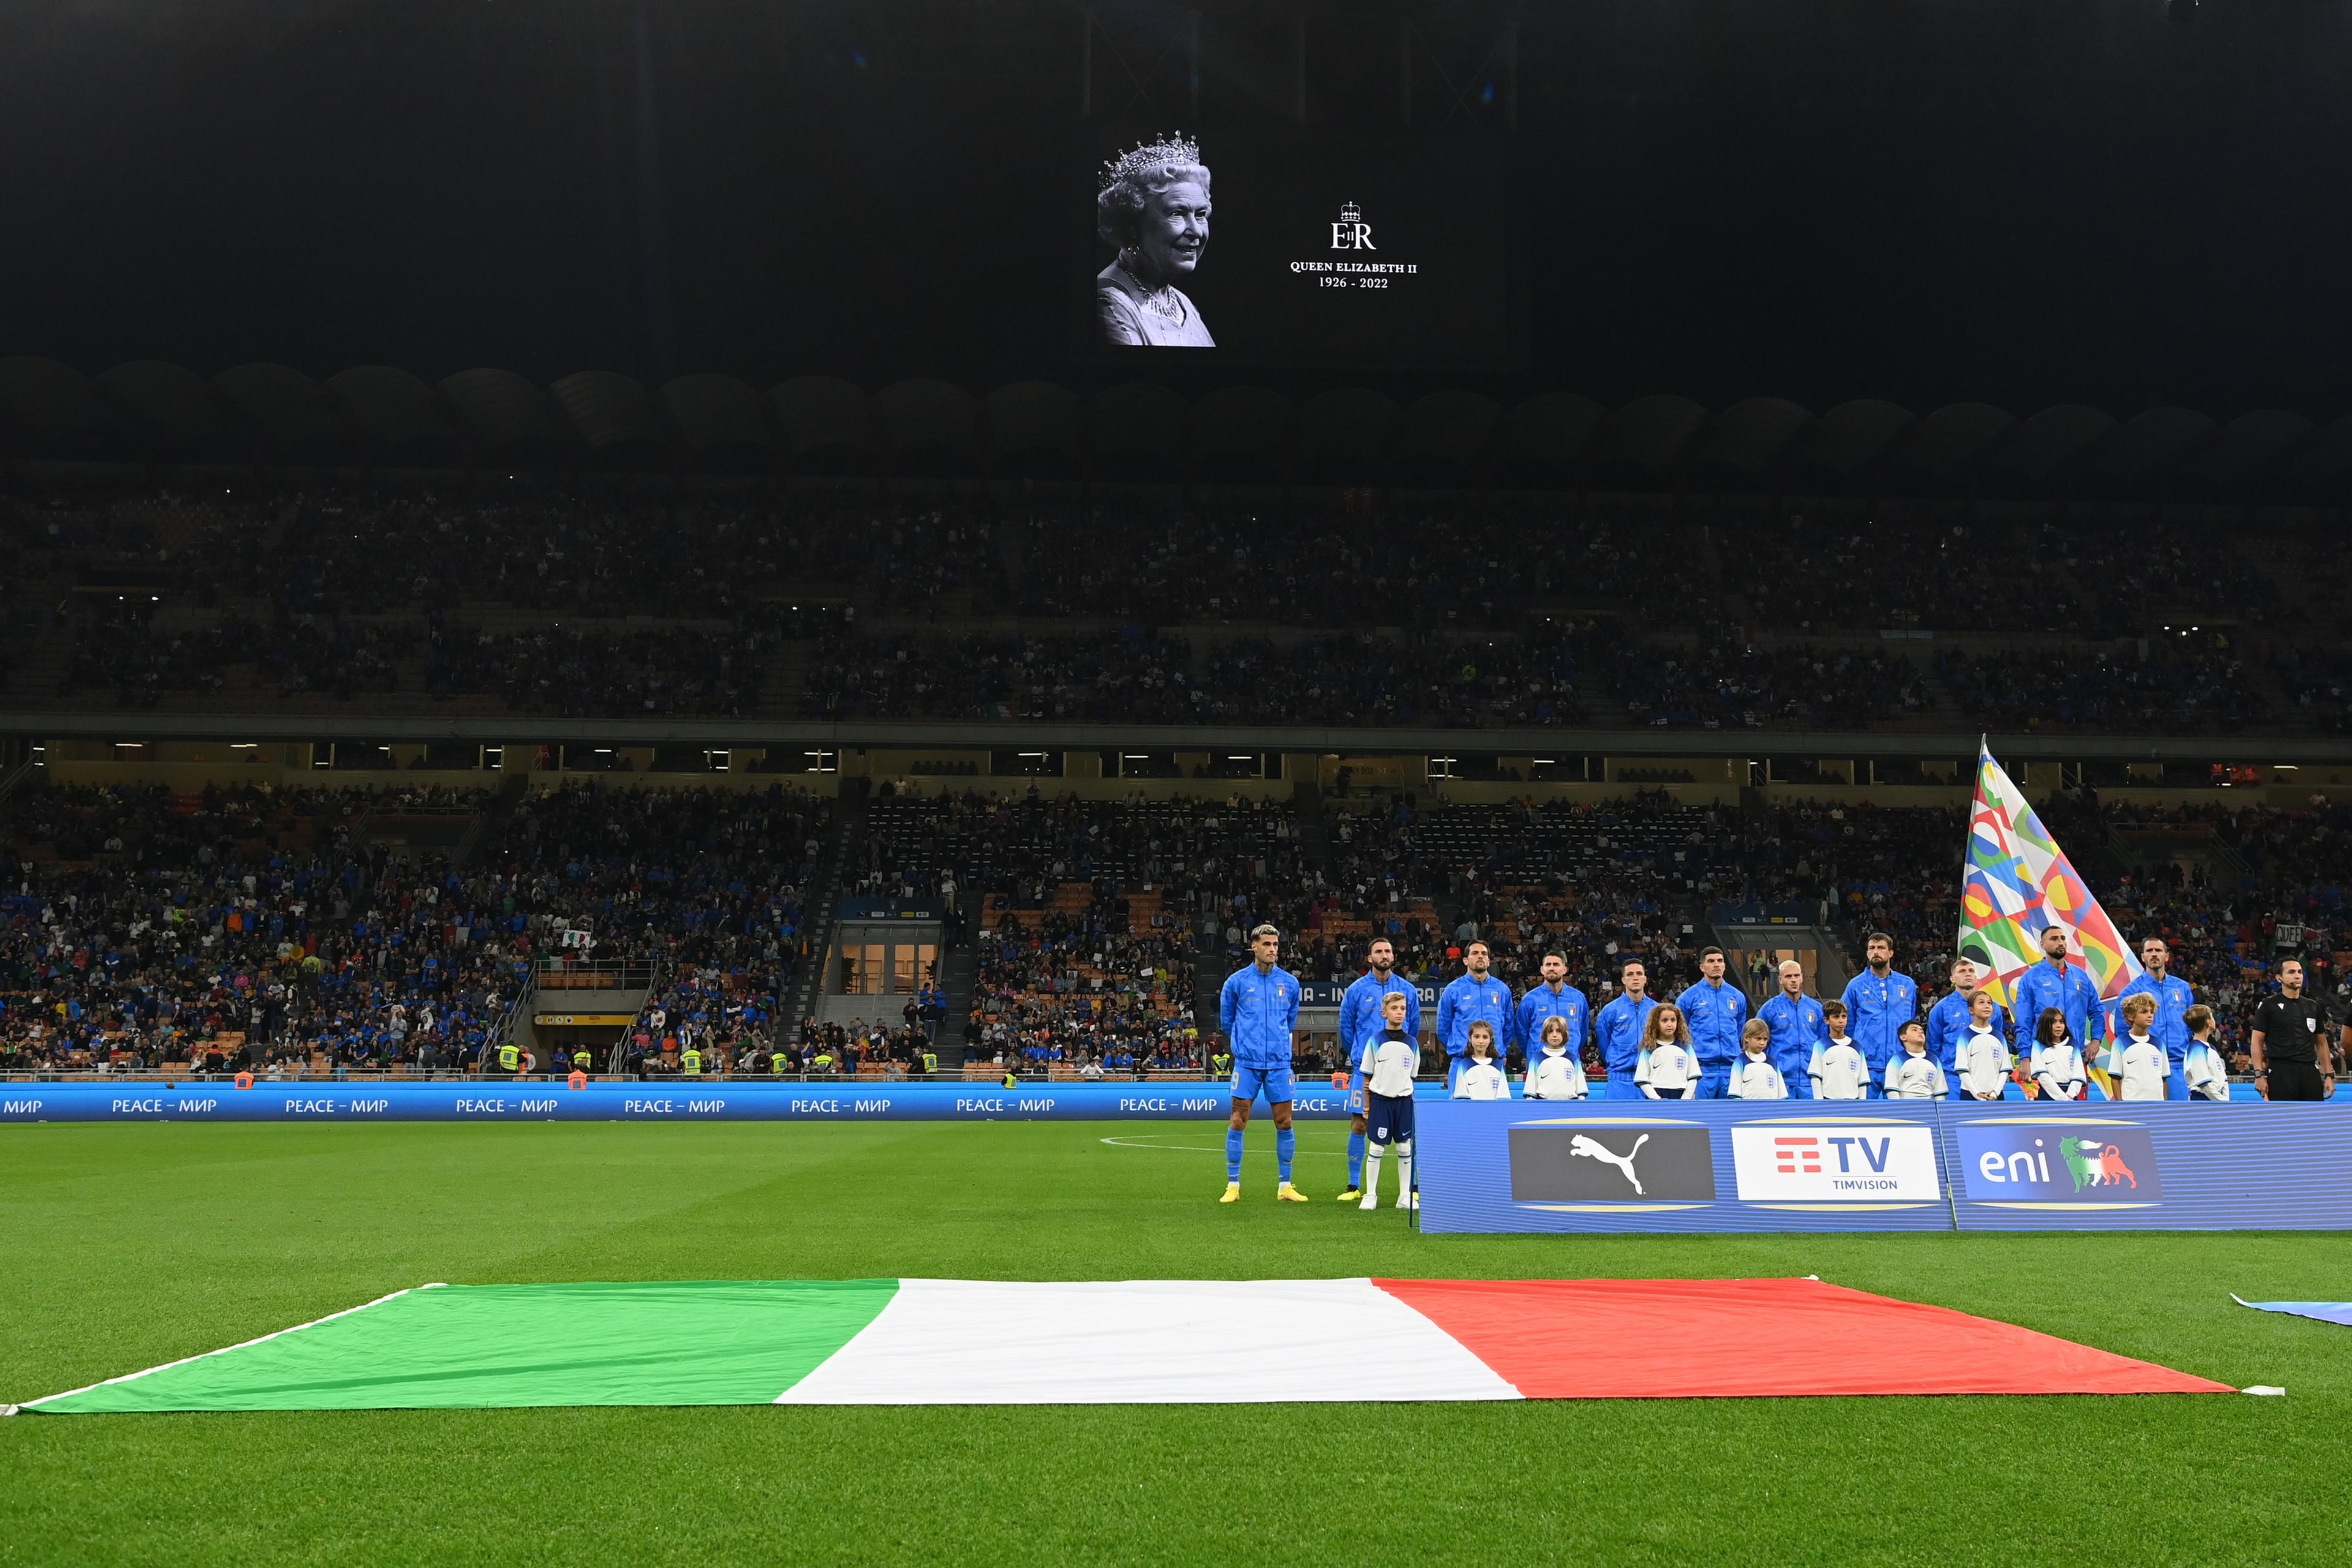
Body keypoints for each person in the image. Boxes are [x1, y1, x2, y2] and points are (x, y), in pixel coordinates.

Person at [1095, 135, 1215, 347]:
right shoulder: (1109, 303)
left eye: (1201, 214)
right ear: (1131, 223)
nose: (1196, 232)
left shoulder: (1181, 302)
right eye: (1178, 213)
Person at [1218, 924, 1308, 1203]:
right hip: (1247, 1063)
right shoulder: (1237, 982)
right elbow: (1227, 1020)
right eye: (1267, 944)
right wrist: (1246, 1044)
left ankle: (1286, 1186)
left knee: (1284, 1121)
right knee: (1238, 1120)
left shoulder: (1290, 984)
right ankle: (1233, 1185)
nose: (1272, 950)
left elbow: (1289, 1020)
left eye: (1276, 945)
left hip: (1279, 1064)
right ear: (1254, 946)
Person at [1338, 938, 1420, 1203]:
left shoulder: (1406, 989)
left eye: (1388, 951)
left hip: (1398, 1071)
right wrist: (1362, 1056)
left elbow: (1414, 1027)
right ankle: (1354, 1186)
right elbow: (1346, 1028)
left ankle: (1411, 1188)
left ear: (1393, 957)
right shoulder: (1356, 990)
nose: (1383, 955)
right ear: (1369, 957)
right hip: (1365, 1069)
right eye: (1378, 951)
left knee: (1405, 1130)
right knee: (1359, 1124)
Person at [2009, 925, 2106, 1071]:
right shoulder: (2031, 978)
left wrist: (2096, 1041)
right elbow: (2023, 1022)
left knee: (2074, 1094)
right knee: (2046, 1094)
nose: (2060, 942)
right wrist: (2025, 1057)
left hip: (2076, 1055)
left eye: (2063, 938)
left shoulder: (2080, 976)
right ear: (2043, 944)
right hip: (2043, 1057)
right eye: (2054, 939)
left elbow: (2097, 1011)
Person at [1357, 990, 1419, 1211]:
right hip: (1381, 1101)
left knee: (1404, 1147)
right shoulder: (1375, 1041)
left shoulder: (1413, 1043)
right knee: (1377, 1146)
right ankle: (1370, 1194)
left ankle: (1405, 1196)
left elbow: (1411, 1076)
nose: (1399, 1012)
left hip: (1403, 1102)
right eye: (1394, 1008)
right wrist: (1366, 1106)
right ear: (1384, 1013)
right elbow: (1367, 1078)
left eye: (1403, 1008)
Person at [2114, 937, 2196, 1101]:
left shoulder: (2182, 988)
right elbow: (2122, 1032)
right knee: (2149, 1118)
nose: (2154, 954)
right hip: (2146, 1067)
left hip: (2178, 1065)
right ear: (2143, 957)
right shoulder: (2132, 991)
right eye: (2149, 951)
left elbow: (2191, 1025)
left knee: (2180, 1119)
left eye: (2158, 950)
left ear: (2166, 956)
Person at [2248, 957, 2339, 1102]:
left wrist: (2329, 1075)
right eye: (2291, 972)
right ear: (2279, 978)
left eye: (2300, 972)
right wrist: (2259, 1075)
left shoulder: (2313, 1006)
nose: (2297, 975)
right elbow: (2256, 1042)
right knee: (2283, 1120)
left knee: (2314, 1121)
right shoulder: (2268, 1005)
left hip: (2310, 1071)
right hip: (2280, 1071)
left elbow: (2321, 1044)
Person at [1839, 932, 1918, 1098]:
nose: (1876, 952)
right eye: (1872, 948)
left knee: (1902, 1116)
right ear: (1868, 954)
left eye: (1881, 948)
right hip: (1867, 1062)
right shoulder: (1855, 985)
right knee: (1868, 1117)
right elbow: (1846, 1024)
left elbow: (1909, 1021)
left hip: (1900, 1060)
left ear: (1890, 953)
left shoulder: (1907, 984)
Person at [1435, 941, 1512, 1093]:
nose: (1480, 957)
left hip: (1494, 1061)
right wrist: (1460, 1046)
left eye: (1484, 954)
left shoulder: (1501, 989)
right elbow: (1443, 1029)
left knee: (1498, 1115)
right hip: (1462, 1060)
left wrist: (1496, 1049)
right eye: (1475, 953)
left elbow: (1509, 1027)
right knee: (1459, 1115)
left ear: (1489, 961)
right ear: (1465, 960)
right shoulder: (1453, 989)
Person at [1676, 945, 1750, 1098]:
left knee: (1732, 1119)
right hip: (1701, 1070)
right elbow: (1681, 1034)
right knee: (1701, 1119)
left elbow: (1740, 1031)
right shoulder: (1688, 998)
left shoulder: (1738, 997)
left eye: (1720, 961)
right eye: (1711, 961)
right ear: (1702, 967)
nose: (1716, 965)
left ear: (1725, 965)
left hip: (1731, 1069)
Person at [1926, 957, 2002, 1102]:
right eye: (1962, 971)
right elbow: (1933, 1047)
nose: (1968, 974)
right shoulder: (1941, 1009)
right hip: (1953, 1078)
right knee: (1954, 1121)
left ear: (1976, 977)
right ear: (1953, 978)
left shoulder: (1993, 1007)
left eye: (1971, 971)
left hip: (1986, 1077)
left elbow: (1998, 1040)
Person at [1756, 959, 1825, 1101]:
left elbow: (1824, 1044)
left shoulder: (1816, 1008)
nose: (1793, 980)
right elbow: (1755, 1044)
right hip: (1780, 1080)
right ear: (1780, 980)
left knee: (1812, 1122)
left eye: (1796, 976)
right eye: (1788, 977)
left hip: (1811, 1081)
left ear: (1801, 977)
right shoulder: (1769, 1009)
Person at [1513, 951, 1589, 1079]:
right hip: (1539, 1065)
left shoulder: (1578, 998)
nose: (1552, 968)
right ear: (1542, 970)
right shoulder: (1530, 999)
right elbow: (1521, 1035)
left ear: (1565, 969)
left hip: (1570, 1064)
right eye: (1548, 965)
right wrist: (1535, 1052)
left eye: (1556, 964)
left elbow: (1582, 1032)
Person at [1593, 957, 1658, 1100]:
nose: (1635, 978)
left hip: (1652, 1078)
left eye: (1639, 974)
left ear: (1645, 979)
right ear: (1623, 980)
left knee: (1652, 1122)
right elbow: (1604, 1045)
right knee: (1617, 1122)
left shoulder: (1657, 1010)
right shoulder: (1610, 1011)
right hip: (1619, 1078)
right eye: (1630, 975)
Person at [1955, 989, 2011, 1101]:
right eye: (1981, 1002)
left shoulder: (1999, 1037)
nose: (1986, 1006)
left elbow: (2004, 1069)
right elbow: (1962, 1070)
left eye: (1989, 1003)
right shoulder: (1965, 1036)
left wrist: (1995, 1092)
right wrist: (1977, 1094)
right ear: (1971, 1010)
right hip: (1970, 1095)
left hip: (1996, 1096)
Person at [1635, 1003, 1698, 1100]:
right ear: (1656, 1023)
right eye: (1665, 1020)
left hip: (1681, 1096)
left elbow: (1693, 1076)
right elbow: (1642, 1078)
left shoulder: (1686, 1047)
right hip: (1656, 1097)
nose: (1669, 1024)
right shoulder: (1649, 1048)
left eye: (1673, 1020)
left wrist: (1685, 1099)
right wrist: (1656, 1099)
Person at [2112, 995, 2169, 1101]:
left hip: (2157, 1105)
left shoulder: (2159, 1044)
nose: (2150, 1015)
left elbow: (2164, 1079)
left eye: (2152, 1012)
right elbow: (2115, 1078)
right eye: (2144, 1012)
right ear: (2131, 1016)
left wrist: (2165, 1104)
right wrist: (2120, 1105)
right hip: (2131, 1104)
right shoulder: (2120, 1042)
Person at [1810, 1002, 1868, 1101]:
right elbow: (1816, 1078)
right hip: (1828, 1102)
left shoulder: (1857, 1047)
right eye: (1836, 1017)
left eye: (1844, 1017)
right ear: (1827, 1020)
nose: (1841, 1021)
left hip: (1853, 1102)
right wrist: (1819, 1103)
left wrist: (1861, 1103)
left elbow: (1862, 1081)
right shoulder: (1820, 1046)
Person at [1523, 1014, 1588, 1101]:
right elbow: (1530, 1092)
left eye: (1559, 1031)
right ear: (1544, 1034)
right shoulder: (1536, 1060)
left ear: (1565, 1034)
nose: (1554, 1035)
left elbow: (1581, 1091)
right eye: (1550, 1031)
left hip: (1570, 1106)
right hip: (1544, 1106)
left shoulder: (1573, 1059)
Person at [2029, 1008, 2088, 1101]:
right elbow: (2042, 1075)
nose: (2058, 1026)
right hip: (2047, 1096)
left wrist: (2070, 1095)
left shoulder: (2073, 1044)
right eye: (2054, 1022)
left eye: (2061, 1022)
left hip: (2070, 1097)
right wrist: (2062, 1098)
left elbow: (2078, 1073)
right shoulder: (2038, 1045)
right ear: (2045, 1024)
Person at [1883, 1020, 1948, 1099]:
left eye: (1922, 1031)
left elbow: (1940, 1093)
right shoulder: (1897, 1059)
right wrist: (1899, 1109)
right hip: (1905, 1107)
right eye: (1914, 1030)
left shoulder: (1934, 1060)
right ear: (1903, 1037)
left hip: (1929, 1108)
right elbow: (1892, 1090)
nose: (1920, 1032)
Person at [1725, 1019, 1787, 1099]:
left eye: (1765, 1039)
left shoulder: (1772, 1063)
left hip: (1771, 1110)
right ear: (1747, 1038)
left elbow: (1782, 1095)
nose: (1762, 1043)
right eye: (1758, 1039)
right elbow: (1735, 1094)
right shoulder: (1740, 1061)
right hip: (1749, 1110)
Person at [2181, 1005, 2231, 1102]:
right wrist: (2222, 1101)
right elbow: (2204, 1084)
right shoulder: (2196, 1049)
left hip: (2217, 1098)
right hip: (2203, 1099)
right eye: (2212, 1017)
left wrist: (2225, 1098)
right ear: (2208, 1022)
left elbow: (2223, 1078)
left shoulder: (2211, 1048)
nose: (2214, 1020)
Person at [1452, 1023, 1510, 1100]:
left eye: (1485, 1037)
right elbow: (1461, 1095)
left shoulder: (1498, 1065)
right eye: (1477, 1037)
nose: (1481, 1041)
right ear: (1470, 1038)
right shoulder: (1464, 1065)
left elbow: (1503, 1095)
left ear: (1490, 1040)